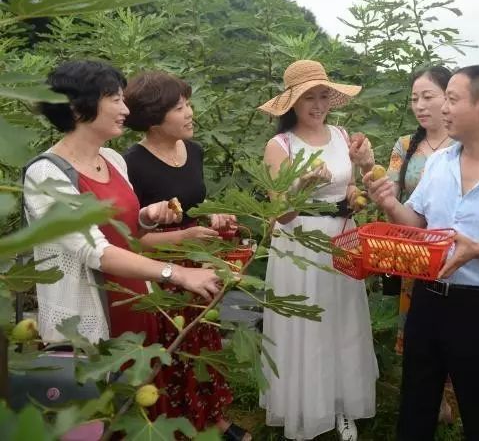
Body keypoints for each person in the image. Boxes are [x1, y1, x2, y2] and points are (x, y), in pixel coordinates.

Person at [366, 65, 479, 441]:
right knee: (416, 405)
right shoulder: (439, 163)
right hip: (427, 299)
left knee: (478, 409)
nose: (444, 109)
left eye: (452, 99)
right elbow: (416, 221)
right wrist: (390, 204)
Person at [23, 60, 220, 348]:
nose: (126, 111)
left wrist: (145, 218)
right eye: (115, 100)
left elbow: (127, 235)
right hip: (88, 321)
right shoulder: (45, 174)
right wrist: (176, 272)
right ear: (78, 109)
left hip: (136, 303)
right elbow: (94, 250)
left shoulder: (113, 161)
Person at [387, 65, 479, 439]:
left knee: (478, 392)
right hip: (425, 281)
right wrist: (388, 203)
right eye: (415, 98)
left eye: (440, 98)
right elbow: (412, 216)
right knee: (418, 393)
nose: (427, 107)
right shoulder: (430, 159)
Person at [122, 71, 249, 441]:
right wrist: (184, 236)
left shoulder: (193, 151)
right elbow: (131, 238)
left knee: (203, 342)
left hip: (198, 262)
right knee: (171, 347)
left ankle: (212, 416)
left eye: (188, 104)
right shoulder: (132, 163)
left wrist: (214, 218)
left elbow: (192, 208)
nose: (190, 112)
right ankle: (178, 423)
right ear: (153, 118)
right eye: (180, 107)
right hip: (158, 269)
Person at [258, 60, 378, 441]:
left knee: (342, 318)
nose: (318, 104)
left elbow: (353, 192)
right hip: (299, 244)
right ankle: (304, 406)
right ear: (291, 102)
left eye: (324, 95)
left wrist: (364, 173)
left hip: (341, 238)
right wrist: (301, 186)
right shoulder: (280, 146)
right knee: (305, 322)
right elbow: (279, 214)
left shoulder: (343, 137)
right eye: (309, 97)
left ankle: (341, 404)